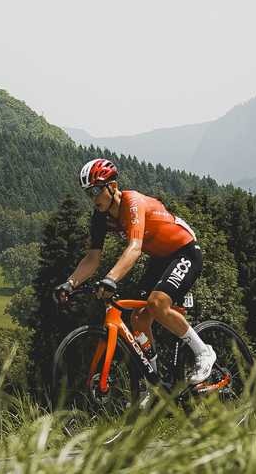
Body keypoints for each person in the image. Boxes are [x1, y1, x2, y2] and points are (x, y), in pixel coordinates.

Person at [53, 158, 218, 384]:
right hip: (160, 258)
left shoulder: (133, 202)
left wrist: (110, 279)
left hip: (185, 251)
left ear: (112, 186)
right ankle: (154, 384)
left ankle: (203, 352)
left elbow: (135, 247)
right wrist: (70, 283)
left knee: (157, 304)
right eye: (88, 193)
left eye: (96, 191)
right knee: (138, 319)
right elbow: (92, 257)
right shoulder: (100, 217)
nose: (93, 198)